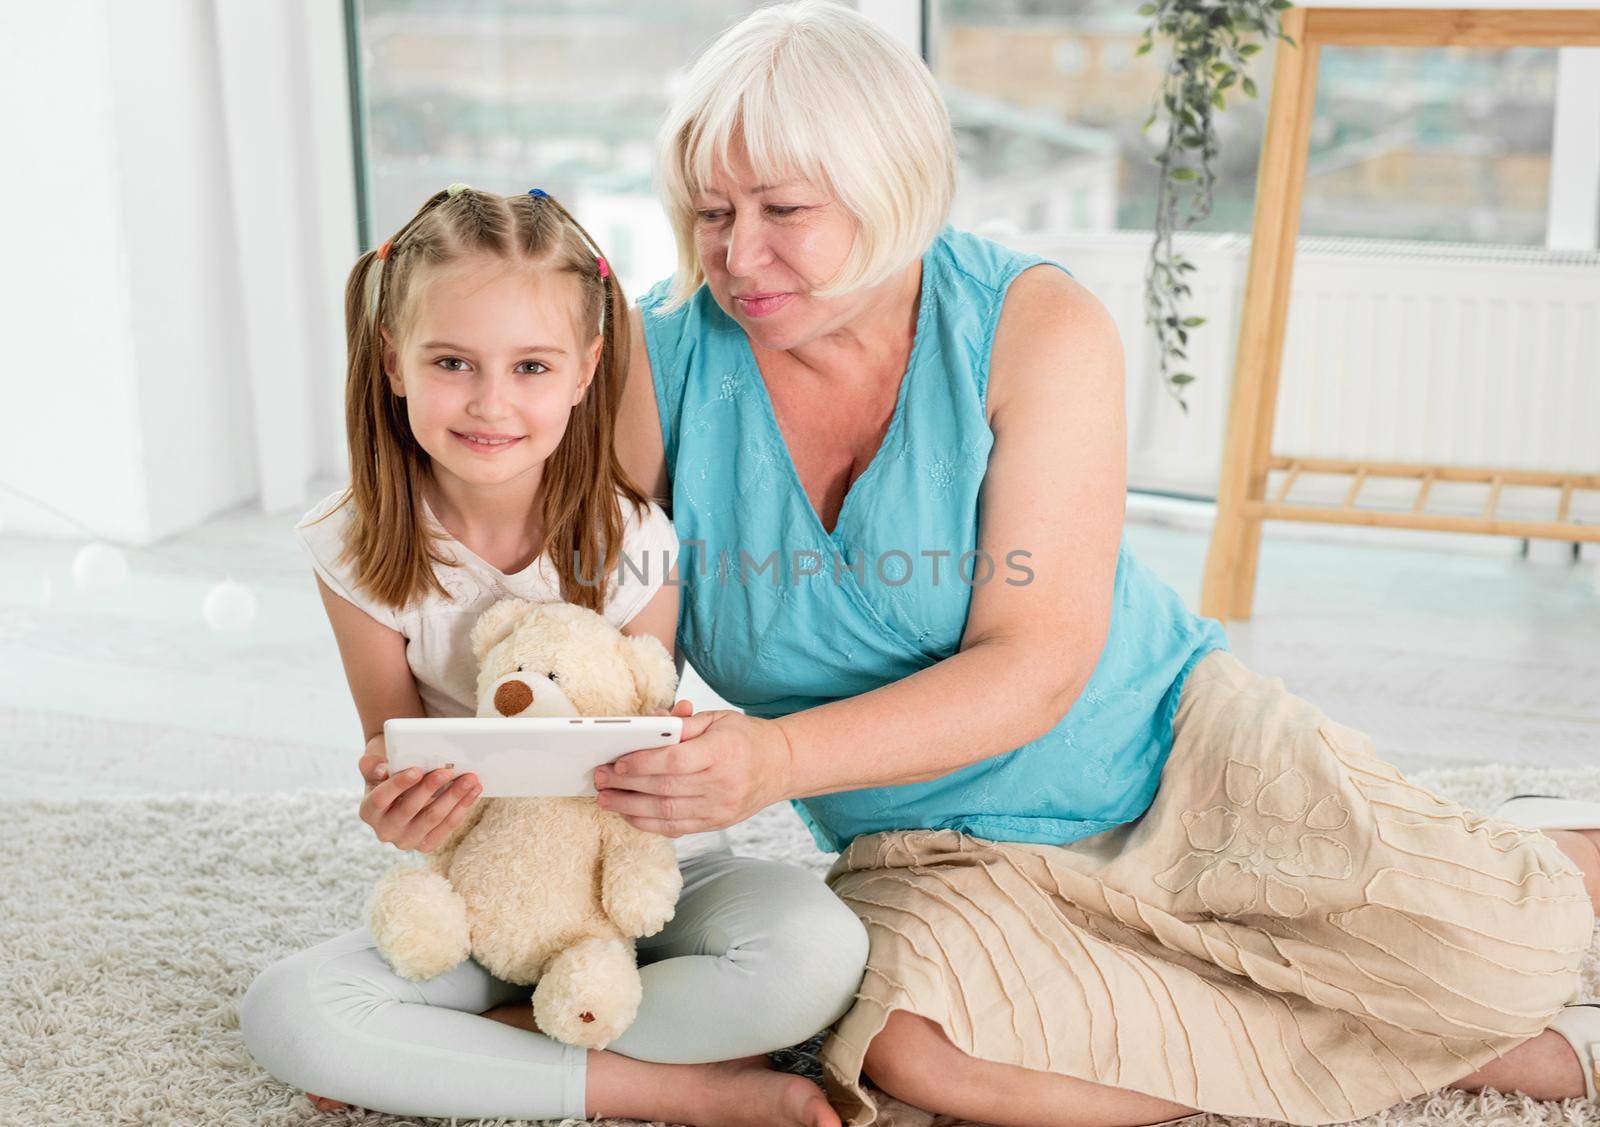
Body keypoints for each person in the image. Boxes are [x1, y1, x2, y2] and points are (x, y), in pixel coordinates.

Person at [601, 4, 1600, 1125]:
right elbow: (613, 662)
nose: (737, 255)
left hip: (1169, 755)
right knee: (920, 1054)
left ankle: (1548, 847)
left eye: (784, 211)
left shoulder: (1033, 323)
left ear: (892, 189)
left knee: (1508, 947)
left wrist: (777, 755)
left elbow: (1035, 664)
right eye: (708, 211)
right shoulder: (657, 362)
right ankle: (1448, 1053)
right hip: (929, 851)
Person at [237, 183, 867, 1127]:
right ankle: (667, 1088)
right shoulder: (353, 548)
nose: (492, 402)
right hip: (483, 888)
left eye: (531, 366)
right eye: (452, 361)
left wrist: (677, 765)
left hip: (647, 879)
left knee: (817, 952)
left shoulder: (633, 542)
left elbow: (647, 728)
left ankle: (474, 1051)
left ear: (586, 371)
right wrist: (397, 806)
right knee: (287, 1014)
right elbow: (388, 746)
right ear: (393, 362)